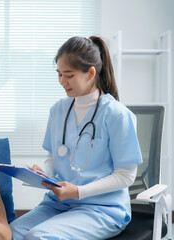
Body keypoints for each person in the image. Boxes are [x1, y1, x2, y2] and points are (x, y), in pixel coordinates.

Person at [10, 36, 142, 239]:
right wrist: (43, 173)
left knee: (38, 236)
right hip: (59, 203)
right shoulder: (58, 110)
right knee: (12, 232)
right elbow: (54, 156)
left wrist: (78, 191)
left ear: (90, 73)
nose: (62, 81)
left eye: (69, 75)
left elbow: (126, 176)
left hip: (102, 208)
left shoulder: (116, 115)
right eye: (59, 74)